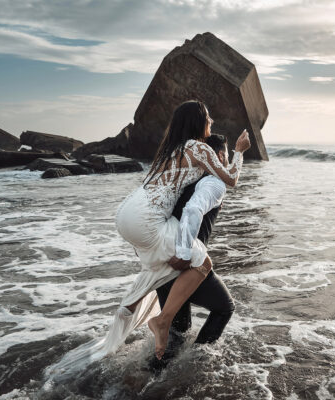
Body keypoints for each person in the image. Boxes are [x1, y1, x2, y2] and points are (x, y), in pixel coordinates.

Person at [44, 101, 250, 381]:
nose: (211, 123)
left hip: (128, 214)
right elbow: (230, 179)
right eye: (208, 119)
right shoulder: (199, 149)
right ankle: (178, 351)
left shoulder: (171, 151)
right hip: (148, 223)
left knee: (180, 320)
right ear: (197, 123)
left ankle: (151, 371)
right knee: (203, 268)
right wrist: (238, 152)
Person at [151, 134, 234, 369]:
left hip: (163, 259)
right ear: (218, 156)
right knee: (224, 308)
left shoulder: (185, 179)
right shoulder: (212, 183)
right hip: (185, 263)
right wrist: (185, 253)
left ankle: (146, 376)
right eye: (225, 157)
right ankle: (195, 365)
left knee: (178, 330)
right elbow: (194, 210)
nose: (226, 163)